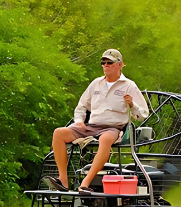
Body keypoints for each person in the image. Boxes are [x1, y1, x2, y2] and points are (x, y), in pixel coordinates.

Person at [45, 49, 149, 193]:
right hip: (91, 126)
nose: (105, 65)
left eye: (109, 62)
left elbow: (143, 114)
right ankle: (63, 181)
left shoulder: (129, 85)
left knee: (106, 139)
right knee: (58, 133)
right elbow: (81, 106)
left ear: (120, 65)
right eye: (103, 62)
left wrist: (132, 104)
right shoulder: (95, 83)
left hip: (113, 128)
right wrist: (79, 121)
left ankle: (85, 183)